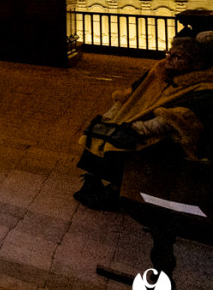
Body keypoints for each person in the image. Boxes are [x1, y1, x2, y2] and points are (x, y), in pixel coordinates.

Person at [75, 30, 213, 209]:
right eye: (169, 53)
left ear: (194, 63)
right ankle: (92, 177)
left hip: (165, 133)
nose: (169, 59)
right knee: (99, 132)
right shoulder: (160, 71)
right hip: (135, 119)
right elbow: (131, 94)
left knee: (122, 143)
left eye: (177, 57)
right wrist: (112, 115)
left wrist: (140, 129)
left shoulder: (202, 86)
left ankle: (118, 189)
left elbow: (179, 117)